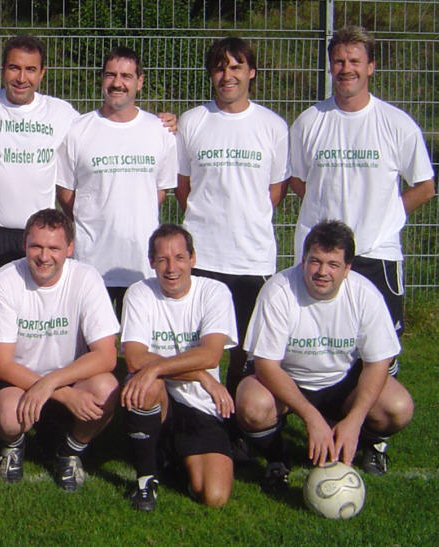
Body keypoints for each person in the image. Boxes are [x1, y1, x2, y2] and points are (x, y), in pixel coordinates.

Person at [288, 25, 434, 364]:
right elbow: (296, 180)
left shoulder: (396, 124)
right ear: (330, 67)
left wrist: (386, 218)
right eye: (338, 61)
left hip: (376, 254)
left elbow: (424, 187)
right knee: (319, 347)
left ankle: (371, 414)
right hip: (321, 256)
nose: (346, 68)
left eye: (355, 60)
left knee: (378, 355)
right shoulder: (310, 122)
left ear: (370, 66)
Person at [237, 220, 414, 492]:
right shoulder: (278, 290)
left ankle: (367, 445)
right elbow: (266, 366)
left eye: (333, 264)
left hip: (343, 384)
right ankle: (276, 457)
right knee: (252, 404)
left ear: (347, 269)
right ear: (303, 259)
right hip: (289, 381)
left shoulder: (365, 294)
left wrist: (354, 420)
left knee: (398, 406)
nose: (322, 272)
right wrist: (311, 417)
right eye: (315, 261)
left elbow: (378, 363)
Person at [175, 37, 289, 397]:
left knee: (244, 351)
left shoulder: (273, 126)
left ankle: (241, 424)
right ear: (212, 74)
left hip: (250, 257)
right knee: (198, 345)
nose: (228, 75)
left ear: (251, 72)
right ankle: (196, 416)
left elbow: (276, 191)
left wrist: (246, 217)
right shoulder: (192, 121)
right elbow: (182, 187)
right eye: (221, 67)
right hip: (203, 255)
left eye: (236, 66)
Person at [0, 209, 120, 492]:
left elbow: (106, 355)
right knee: (9, 416)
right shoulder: (4, 281)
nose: (44, 257)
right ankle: (13, 445)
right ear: (24, 245)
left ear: (69, 248)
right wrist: (63, 393)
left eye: (54, 248)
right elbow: (1, 365)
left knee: (107, 389)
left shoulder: (87, 278)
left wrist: (54, 383)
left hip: (68, 376)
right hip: (18, 381)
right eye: (36, 246)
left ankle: (70, 452)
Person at [120, 224, 237, 511]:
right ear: (151, 263)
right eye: (162, 259)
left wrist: (156, 366)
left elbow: (210, 355)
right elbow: (135, 358)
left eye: (179, 258)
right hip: (160, 400)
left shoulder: (214, 292)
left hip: (200, 404)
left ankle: (169, 456)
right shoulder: (139, 293)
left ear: (193, 258)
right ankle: (146, 481)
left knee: (214, 496)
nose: (171, 268)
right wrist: (200, 376)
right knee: (146, 383)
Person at [57, 46, 177, 317]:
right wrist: (94, 217)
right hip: (92, 262)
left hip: (141, 264)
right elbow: (65, 193)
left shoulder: (160, 132)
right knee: (91, 348)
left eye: (126, 76)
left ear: (140, 82)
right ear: (102, 80)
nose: (118, 83)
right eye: (111, 75)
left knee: (138, 350)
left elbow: (159, 192)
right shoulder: (77, 130)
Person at [0, 35, 80, 300]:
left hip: (39, 238)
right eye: (14, 68)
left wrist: (162, 123)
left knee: (34, 308)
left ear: (42, 73)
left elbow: (103, 130)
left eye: (30, 70)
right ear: (3, 69)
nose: (21, 78)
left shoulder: (62, 113)